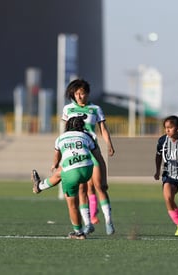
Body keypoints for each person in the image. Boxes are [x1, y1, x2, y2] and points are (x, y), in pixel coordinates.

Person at [32, 78, 115, 235]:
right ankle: (88, 224)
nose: (79, 97)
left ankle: (109, 221)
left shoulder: (95, 109)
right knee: (82, 189)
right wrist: (63, 150)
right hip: (77, 149)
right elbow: (65, 131)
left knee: (99, 186)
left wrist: (109, 144)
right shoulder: (68, 109)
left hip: (92, 148)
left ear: (87, 94)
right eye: (76, 94)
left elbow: (103, 129)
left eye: (82, 93)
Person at [32, 115, 104, 239]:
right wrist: (103, 178)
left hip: (71, 173)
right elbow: (99, 158)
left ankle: (79, 233)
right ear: (82, 127)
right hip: (87, 170)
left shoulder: (60, 138)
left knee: (72, 205)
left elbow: (56, 158)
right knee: (60, 172)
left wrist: (54, 164)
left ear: (67, 126)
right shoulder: (87, 136)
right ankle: (39, 186)